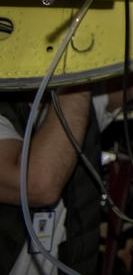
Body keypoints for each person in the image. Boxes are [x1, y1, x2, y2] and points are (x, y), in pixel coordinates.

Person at [1, 88, 104, 275]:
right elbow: (38, 185)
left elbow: (132, 83)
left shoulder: (66, 103)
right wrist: (76, 78)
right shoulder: (72, 99)